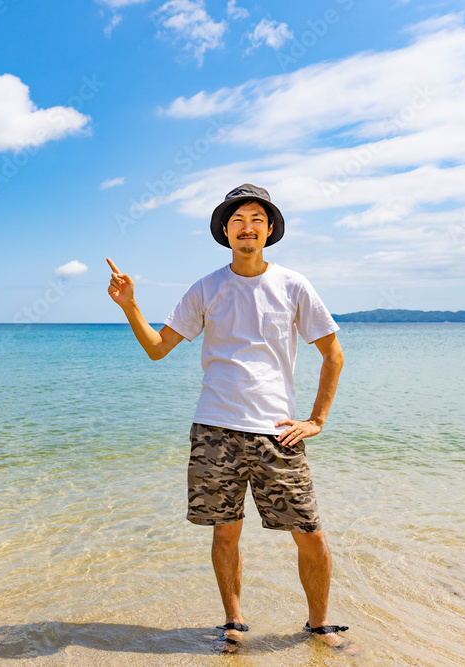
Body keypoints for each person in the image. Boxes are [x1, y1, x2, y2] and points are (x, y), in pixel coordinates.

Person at [106, 184, 352, 654]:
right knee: (225, 532)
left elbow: (333, 355)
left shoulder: (294, 285)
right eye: (237, 219)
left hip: (277, 433)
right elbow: (158, 349)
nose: (247, 227)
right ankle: (234, 622)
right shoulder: (206, 287)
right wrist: (130, 305)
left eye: (257, 218)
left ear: (270, 229)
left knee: (310, 534)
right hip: (214, 430)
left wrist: (317, 420)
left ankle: (320, 625)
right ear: (225, 230)